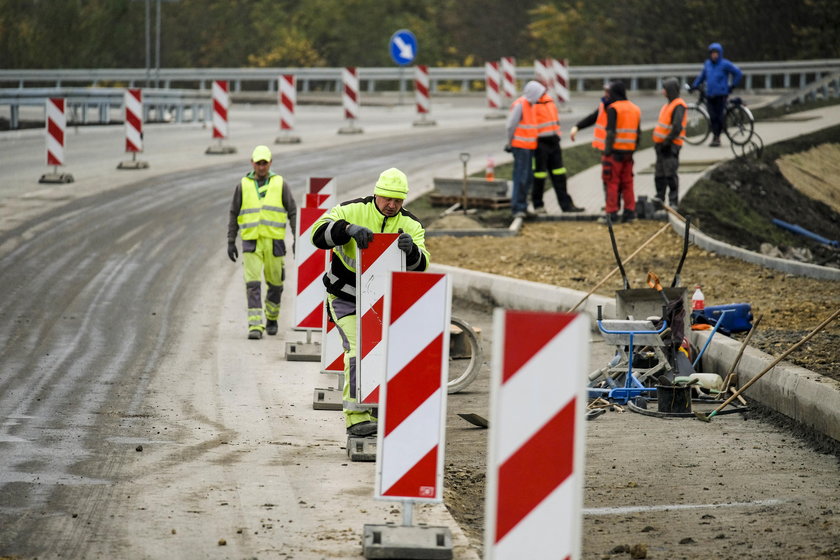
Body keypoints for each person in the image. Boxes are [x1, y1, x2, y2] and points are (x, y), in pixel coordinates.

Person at [311, 168, 429, 437]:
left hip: (383, 303)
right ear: (376, 193)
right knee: (357, 351)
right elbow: (317, 235)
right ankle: (356, 417)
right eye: (387, 199)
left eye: (398, 201)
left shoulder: (412, 225)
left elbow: (422, 265)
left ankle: (376, 404)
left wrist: (411, 252)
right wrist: (346, 230)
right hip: (345, 298)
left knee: (385, 355)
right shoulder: (352, 210)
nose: (392, 205)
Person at [227, 145, 297, 340]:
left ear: (270, 163)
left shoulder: (280, 183)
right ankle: (255, 325)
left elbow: (292, 211)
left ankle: (272, 318)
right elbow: (234, 212)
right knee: (253, 283)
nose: (261, 166)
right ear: (252, 163)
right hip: (251, 242)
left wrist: (297, 238)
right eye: (258, 163)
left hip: (274, 242)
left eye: (265, 163)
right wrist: (231, 241)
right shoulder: (243, 185)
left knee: (275, 283)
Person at [531, 81, 584, 214]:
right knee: (539, 177)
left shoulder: (549, 101)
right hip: (539, 144)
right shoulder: (531, 103)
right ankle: (538, 205)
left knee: (560, 175)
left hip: (554, 143)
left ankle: (566, 205)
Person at [504, 80, 546, 219]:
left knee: (527, 178)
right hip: (521, 147)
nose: (540, 97)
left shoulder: (530, 105)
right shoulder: (521, 105)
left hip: (528, 147)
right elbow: (511, 126)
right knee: (521, 177)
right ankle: (517, 208)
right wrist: (510, 143)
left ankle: (522, 206)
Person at [691, 42, 743, 147]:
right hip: (710, 94)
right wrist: (694, 85)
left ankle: (717, 137)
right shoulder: (708, 64)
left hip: (721, 94)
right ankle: (716, 136)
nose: (714, 55)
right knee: (713, 117)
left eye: (716, 53)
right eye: (712, 53)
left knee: (719, 117)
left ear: (720, 53)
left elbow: (738, 73)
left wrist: (732, 86)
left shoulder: (725, 64)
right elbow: (702, 76)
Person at [652, 77, 688, 207]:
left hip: (670, 146)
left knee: (670, 174)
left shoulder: (678, 105)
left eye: (665, 89)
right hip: (662, 146)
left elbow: (677, 127)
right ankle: (659, 198)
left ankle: (673, 201)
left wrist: (667, 142)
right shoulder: (668, 105)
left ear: (670, 90)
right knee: (660, 174)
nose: (663, 92)